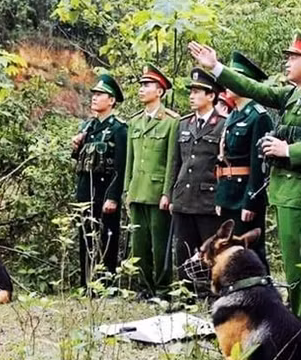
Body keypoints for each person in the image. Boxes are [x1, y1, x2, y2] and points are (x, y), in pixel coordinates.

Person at [189, 31, 301, 334]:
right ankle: (300, 325)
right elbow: (253, 88)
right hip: (284, 193)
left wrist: (289, 150)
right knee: (294, 268)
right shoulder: (293, 95)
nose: (287, 63)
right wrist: (216, 67)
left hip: (300, 194)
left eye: (293, 58)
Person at [170, 68, 227, 296]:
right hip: (183, 197)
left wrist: (221, 198)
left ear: (211, 95)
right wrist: (170, 194)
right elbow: (176, 163)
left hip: (207, 199)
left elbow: (224, 166)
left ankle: (213, 291)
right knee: (182, 249)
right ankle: (185, 293)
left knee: (211, 249)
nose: (192, 96)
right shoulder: (184, 124)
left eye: (197, 91)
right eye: (191, 92)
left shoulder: (222, 124)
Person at [215, 52, 274, 269]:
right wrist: (221, 197)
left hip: (245, 195)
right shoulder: (233, 114)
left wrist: (252, 200)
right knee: (231, 249)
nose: (229, 83)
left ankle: (262, 296)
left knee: (251, 251)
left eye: (236, 77)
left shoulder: (258, 116)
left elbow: (260, 165)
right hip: (229, 193)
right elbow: (224, 160)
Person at [124, 64, 179, 296]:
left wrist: (167, 192)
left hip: (157, 193)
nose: (141, 89)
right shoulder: (134, 123)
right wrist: (127, 190)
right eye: (141, 85)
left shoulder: (171, 121)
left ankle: (163, 288)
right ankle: (143, 287)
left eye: (147, 85)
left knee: (159, 244)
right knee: (139, 244)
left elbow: (172, 161)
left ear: (160, 91)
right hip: (138, 191)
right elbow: (130, 160)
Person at [72, 73, 128, 287]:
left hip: (105, 191)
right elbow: (80, 160)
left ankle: (107, 284)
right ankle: (86, 283)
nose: (94, 98)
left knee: (107, 237)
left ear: (111, 100)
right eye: (94, 94)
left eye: (100, 94)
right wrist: (77, 146)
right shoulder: (88, 126)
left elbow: (121, 166)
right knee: (85, 236)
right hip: (85, 190)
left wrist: (113, 196)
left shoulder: (119, 129)